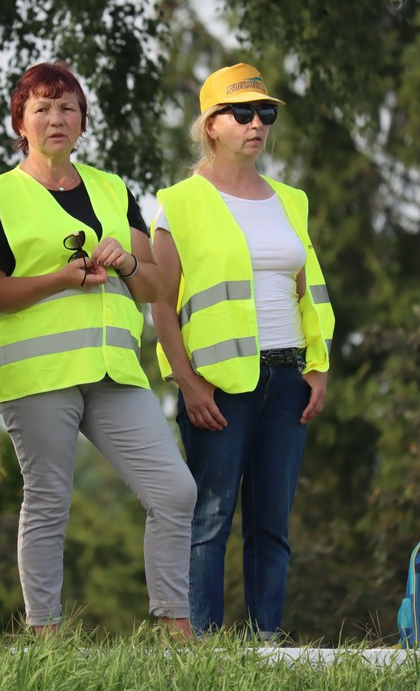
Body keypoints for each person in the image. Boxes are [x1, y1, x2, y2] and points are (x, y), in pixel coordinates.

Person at [0, 61, 197, 638]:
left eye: (67, 106)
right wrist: (58, 280)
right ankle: (46, 637)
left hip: (113, 371)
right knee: (48, 500)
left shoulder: (113, 189)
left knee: (176, 491)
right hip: (38, 374)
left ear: (83, 120)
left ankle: (176, 633)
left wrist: (127, 262)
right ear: (20, 122)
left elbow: (155, 288)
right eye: (41, 108)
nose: (55, 118)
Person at [150, 63, 335, 640]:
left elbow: (310, 291)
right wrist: (188, 383)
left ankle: (266, 644)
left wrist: (319, 367)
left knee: (271, 525)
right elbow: (161, 304)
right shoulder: (178, 203)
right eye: (243, 113)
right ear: (211, 125)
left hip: (288, 380)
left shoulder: (291, 200)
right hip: (219, 385)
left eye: (266, 113)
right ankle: (204, 645)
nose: (257, 123)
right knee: (208, 519)